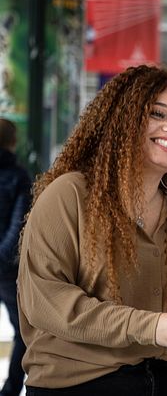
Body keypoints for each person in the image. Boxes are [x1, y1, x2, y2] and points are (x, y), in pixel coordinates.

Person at [17, 65, 167, 395]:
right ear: (124, 119)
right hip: (79, 384)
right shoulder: (71, 194)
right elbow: (45, 299)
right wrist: (150, 326)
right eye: (157, 114)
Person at [0, 118, 31, 396]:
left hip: (6, 266)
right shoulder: (19, 176)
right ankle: (10, 390)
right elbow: (19, 224)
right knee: (23, 331)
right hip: (7, 269)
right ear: (12, 142)